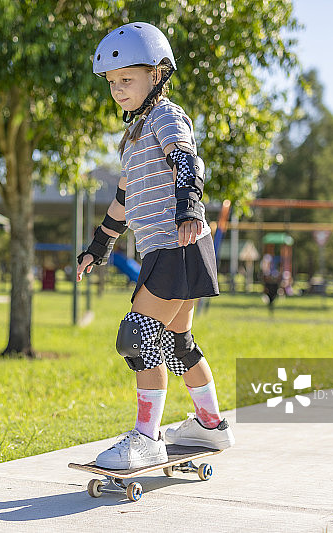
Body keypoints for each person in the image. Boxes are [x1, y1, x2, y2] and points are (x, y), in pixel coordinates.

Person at [77, 22, 234, 470]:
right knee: (177, 343)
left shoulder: (165, 116)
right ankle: (210, 425)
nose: (118, 89)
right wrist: (99, 245)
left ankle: (147, 439)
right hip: (177, 247)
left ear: (158, 74)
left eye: (127, 79)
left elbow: (187, 160)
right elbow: (125, 198)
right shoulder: (133, 135)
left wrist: (188, 206)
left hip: (177, 241)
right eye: (112, 82)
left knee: (139, 336)